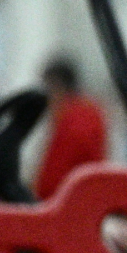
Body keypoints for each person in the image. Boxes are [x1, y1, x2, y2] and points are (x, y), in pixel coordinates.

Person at [34, 56, 110, 200]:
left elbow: (52, 180)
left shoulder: (72, 120)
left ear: (56, 86)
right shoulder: (92, 110)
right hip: (89, 197)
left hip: (71, 202)